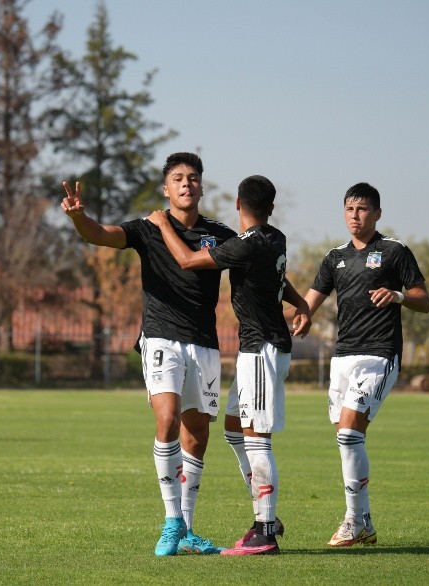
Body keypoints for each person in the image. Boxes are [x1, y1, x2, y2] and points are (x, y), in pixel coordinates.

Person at [61, 152, 236, 556]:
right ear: (166, 189)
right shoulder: (148, 227)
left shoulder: (220, 234)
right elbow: (100, 234)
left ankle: (187, 529)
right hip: (161, 338)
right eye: (178, 178)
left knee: (198, 435)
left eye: (193, 178)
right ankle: (172, 520)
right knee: (167, 418)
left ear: (201, 186)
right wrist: (79, 218)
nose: (186, 183)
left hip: (204, 342)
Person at [147, 174, 311, 555]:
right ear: (271, 208)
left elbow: (187, 260)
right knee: (234, 429)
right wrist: (301, 302)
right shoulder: (275, 238)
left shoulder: (243, 245)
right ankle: (265, 511)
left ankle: (265, 529)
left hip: (261, 349)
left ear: (238, 204)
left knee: (256, 438)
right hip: (264, 348)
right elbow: (277, 278)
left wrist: (162, 224)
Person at [302, 182, 429, 547]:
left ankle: (353, 520)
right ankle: (365, 520)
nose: (354, 215)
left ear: (377, 213)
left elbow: (424, 301)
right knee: (348, 439)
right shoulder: (334, 257)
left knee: (348, 433)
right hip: (342, 356)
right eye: (349, 209)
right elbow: (310, 301)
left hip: (379, 353)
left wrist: (398, 295)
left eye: (361, 209)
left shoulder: (393, 251)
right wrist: (297, 317)